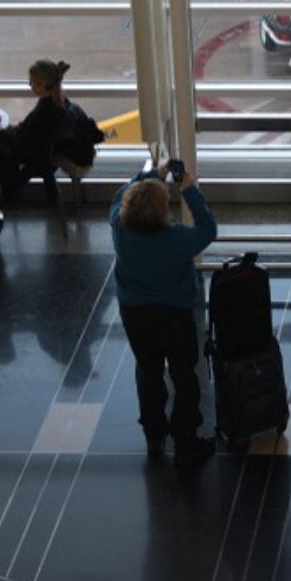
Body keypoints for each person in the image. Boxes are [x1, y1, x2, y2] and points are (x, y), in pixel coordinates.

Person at [111, 159, 218, 468]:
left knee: (148, 370)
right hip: (174, 314)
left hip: (134, 313)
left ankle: (153, 433)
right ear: (162, 211)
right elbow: (208, 229)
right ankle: (186, 440)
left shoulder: (119, 226)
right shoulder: (177, 240)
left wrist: (150, 174)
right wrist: (189, 189)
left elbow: (120, 194)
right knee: (184, 374)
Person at [0, 58, 100, 202]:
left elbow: (22, 145)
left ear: (47, 85)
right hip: (49, 151)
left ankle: (6, 193)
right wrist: (19, 128)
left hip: (41, 157)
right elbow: (35, 131)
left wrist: (1, 132)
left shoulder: (45, 112)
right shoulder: (59, 102)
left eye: (36, 83)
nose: (31, 86)